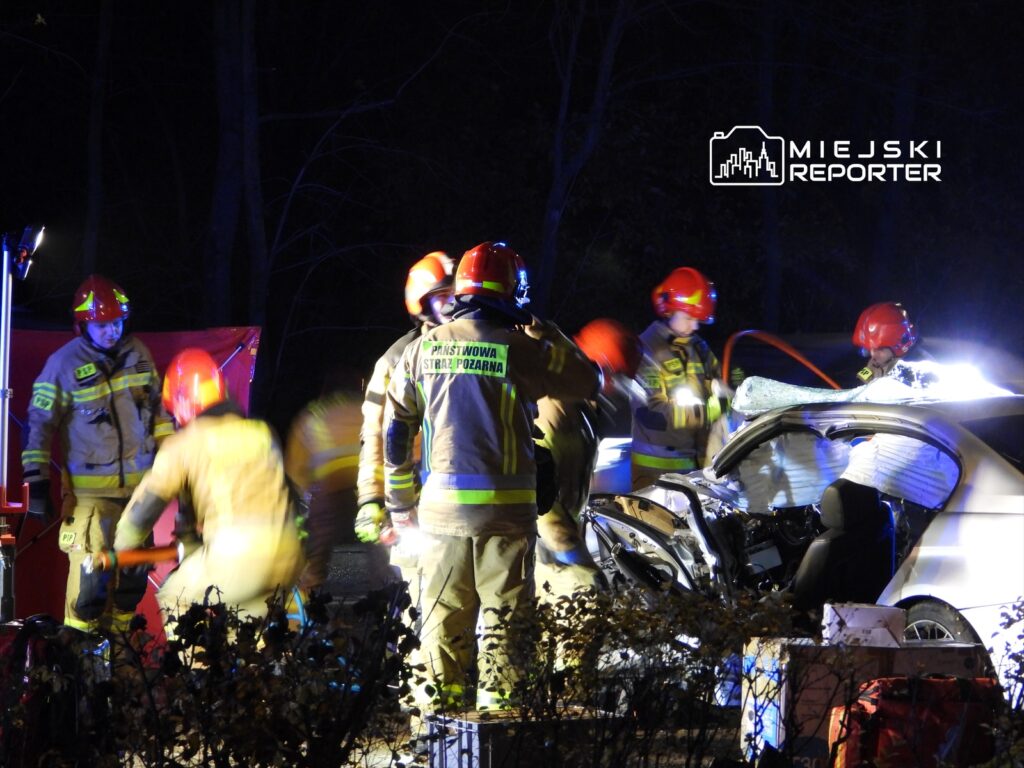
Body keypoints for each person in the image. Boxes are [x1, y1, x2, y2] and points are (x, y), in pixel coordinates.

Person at [383, 241, 600, 711]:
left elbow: (395, 432)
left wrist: (400, 505)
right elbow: (589, 382)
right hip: (506, 518)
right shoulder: (521, 350)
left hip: (440, 519)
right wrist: (553, 335)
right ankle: (499, 733)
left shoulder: (421, 351)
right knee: (505, 628)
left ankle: (440, 731)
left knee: (442, 624)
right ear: (512, 293)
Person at [22, 275, 174, 633]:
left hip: (141, 495)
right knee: (89, 590)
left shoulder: (138, 354)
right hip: (90, 499)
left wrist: (171, 466)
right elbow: (38, 425)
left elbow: (159, 413)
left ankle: (121, 668)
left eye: (118, 322)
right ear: (83, 324)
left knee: (130, 585)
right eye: (102, 324)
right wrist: (37, 482)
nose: (111, 331)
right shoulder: (62, 365)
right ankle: (82, 674)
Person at [110, 348, 305, 626]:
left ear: (182, 401)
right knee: (253, 633)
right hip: (288, 554)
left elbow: (144, 508)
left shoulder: (185, 444)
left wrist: (123, 550)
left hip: (239, 557)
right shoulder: (261, 432)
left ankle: (194, 669)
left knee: (175, 595)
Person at [533, 318, 642, 601]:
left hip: (558, 539)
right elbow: (537, 492)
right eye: (616, 379)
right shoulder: (555, 411)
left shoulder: (579, 406)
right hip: (543, 545)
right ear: (597, 368)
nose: (616, 390)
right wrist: (570, 550)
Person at [631, 267, 726, 490]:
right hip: (654, 477)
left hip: (696, 471)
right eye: (689, 318)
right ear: (668, 309)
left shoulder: (699, 349)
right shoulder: (646, 350)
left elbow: (725, 386)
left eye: (698, 321)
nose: (694, 326)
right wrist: (708, 412)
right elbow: (652, 414)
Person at [283, 386, 363, 592]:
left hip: (330, 493)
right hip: (371, 489)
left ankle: (311, 589)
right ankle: (393, 591)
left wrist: (305, 501)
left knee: (317, 545)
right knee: (385, 544)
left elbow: (296, 471)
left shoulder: (312, 416)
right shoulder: (369, 407)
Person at [852, 301, 920, 384]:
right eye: (871, 349)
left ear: (899, 346)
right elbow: (859, 382)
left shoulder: (917, 371)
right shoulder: (874, 363)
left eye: (880, 349)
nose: (873, 355)